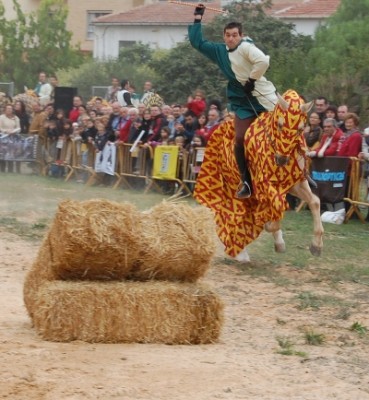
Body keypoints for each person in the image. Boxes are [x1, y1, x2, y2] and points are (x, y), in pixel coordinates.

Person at [188, 5, 278, 198]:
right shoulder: (219, 51)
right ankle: (246, 181)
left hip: (262, 94)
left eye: (234, 35)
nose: (231, 38)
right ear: (223, 36)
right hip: (242, 101)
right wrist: (197, 18)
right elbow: (197, 43)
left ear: (241, 35)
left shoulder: (247, 48)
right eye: (227, 35)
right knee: (239, 138)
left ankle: (303, 173)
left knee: (289, 125)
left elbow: (263, 62)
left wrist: (252, 80)